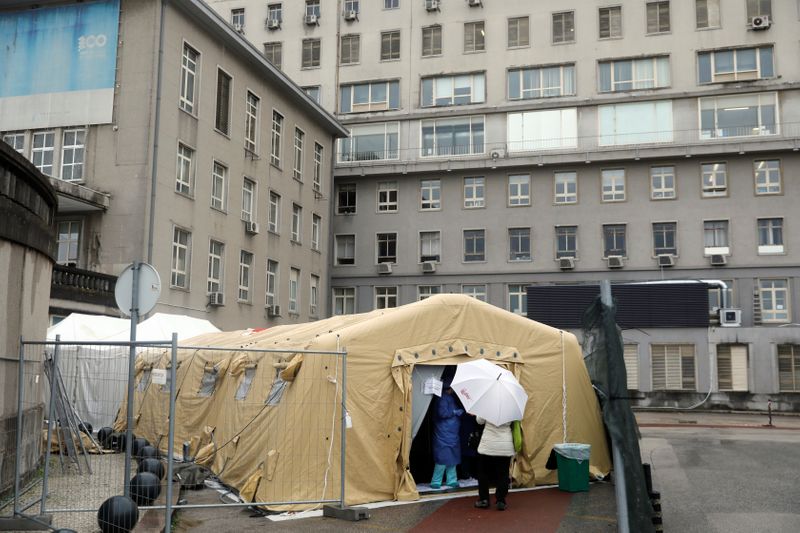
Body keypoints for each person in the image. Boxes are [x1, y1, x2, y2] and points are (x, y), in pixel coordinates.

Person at [473, 416, 515, 510]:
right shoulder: (510, 407)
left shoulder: (487, 404)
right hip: (505, 445)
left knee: (483, 473)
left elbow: (479, 421)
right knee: (503, 474)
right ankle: (501, 500)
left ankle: (484, 500)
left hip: (488, 445)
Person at [430, 387, 464, 489]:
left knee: (452, 456)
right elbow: (442, 413)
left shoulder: (448, 397)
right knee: (443, 456)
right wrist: (454, 412)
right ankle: (436, 481)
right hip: (444, 433)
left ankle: (452, 480)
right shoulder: (443, 398)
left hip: (451, 432)